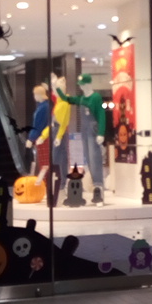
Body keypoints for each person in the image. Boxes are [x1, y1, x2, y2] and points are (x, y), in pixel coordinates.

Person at [56, 73, 106, 205]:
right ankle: (96, 188)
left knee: (94, 158)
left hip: (93, 129)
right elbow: (67, 99)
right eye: (81, 85)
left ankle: (98, 187)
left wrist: (101, 132)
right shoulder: (82, 98)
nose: (82, 87)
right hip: (84, 130)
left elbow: (101, 114)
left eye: (83, 85)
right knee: (88, 158)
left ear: (89, 84)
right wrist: (57, 89)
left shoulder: (96, 97)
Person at [36, 73, 71, 206]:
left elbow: (63, 124)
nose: (54, 92)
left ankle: (61, 188)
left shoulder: (64, 103)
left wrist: (59, 136)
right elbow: (53, 125)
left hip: (60, 133)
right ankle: (58, 188)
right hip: (56, 132)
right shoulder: (58, 103)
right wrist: (43, 136)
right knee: (55, 160)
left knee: (59, 160)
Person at [26, 84, 51, 173]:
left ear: (38, 95)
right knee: (45, 163)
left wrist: (30, 138)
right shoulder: (45, 105)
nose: (34, 96)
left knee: (43, 164)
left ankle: (44, 180)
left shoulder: (42, 108)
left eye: (35, 94)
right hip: (44, 137)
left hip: (42, 138)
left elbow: (38, 125)